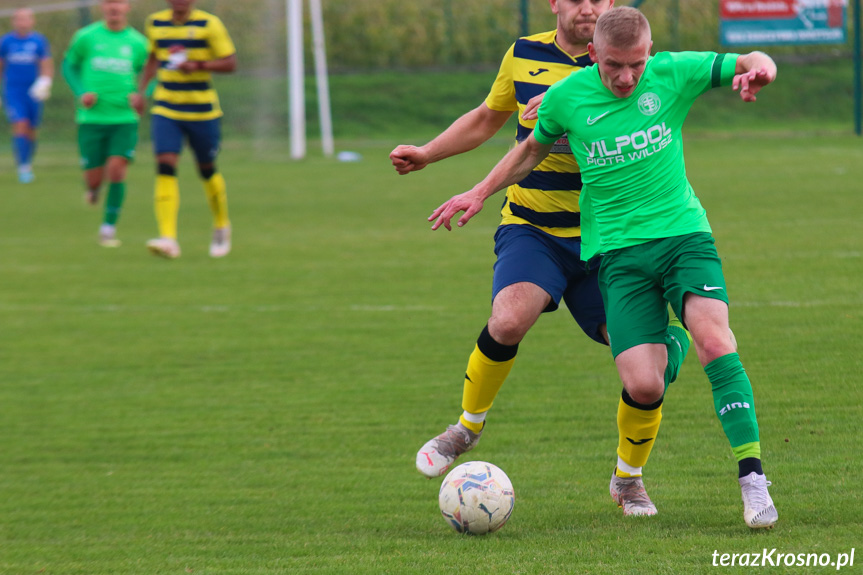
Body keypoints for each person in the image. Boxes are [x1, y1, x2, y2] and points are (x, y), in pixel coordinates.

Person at [429, 6, 778, 529]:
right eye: (615, 65)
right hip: (616, 254)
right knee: (644, 385)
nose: (627, 78)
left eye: (636, 65)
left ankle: (753, 482)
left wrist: (761, 68)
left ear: (650, 55)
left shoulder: (671, 73)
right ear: (593, 55)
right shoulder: (567, 98)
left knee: (716, 340)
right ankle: (626, 439)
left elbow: (748, 58)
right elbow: (530, 151)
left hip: (683, 235)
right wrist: (478, 191)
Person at [391, 0, 691, 517]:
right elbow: (488, 118)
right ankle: (465, 429)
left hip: (609, 241)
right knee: (508, 318)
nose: (590, 8)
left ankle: (628, 478)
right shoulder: (524, 54)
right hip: (534, 227)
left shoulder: (623, 65)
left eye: (601, 0)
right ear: (556, 3)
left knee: (645, 372)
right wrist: (427, 152)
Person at [138, 0, 237, 259]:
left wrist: (200, 66)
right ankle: (168, 238)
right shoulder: (155, 23)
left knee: (206, 169)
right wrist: (140, 92)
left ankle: (221, 225)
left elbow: (230, 63)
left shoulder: (208, 24)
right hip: (166, 108)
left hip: (202, 111)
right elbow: (153, 58)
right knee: (165, 164)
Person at [62, 0, 149, 248]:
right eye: (109, 2)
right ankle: (93, 189)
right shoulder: (86, 37)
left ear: (127, 7)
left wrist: (142, 94)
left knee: (117, 170)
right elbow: (69, 65)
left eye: (119, 3)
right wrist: (81, 92)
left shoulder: (137, 42)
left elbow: (152, 72)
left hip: (124, 119)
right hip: (92, 119)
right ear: (103, 6)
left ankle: (108, 228)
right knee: (94, 178)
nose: (114, 7)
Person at [0, 7, 53, 184]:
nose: (22, 22)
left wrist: (45, 82)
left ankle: (28, 162)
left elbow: (46, 64)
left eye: (25, 19)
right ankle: (23, 167)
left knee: (31, 130)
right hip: (13, 91)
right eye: (18, 19)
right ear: (13, 22)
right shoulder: (6, 42)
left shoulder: (38, 41)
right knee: (20, 124)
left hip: (33, 92)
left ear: (32, 21)